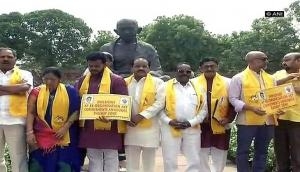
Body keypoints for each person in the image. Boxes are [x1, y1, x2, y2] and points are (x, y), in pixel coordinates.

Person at [76, 52, 128, 172]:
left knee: (110, 156)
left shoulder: (116, 80)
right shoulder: (83, 80)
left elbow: (123, 103)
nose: (93, 68)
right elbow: (78, 101)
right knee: (93, 157)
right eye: (90, 66)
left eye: (96, 66)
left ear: (104, 65)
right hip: (89, 125)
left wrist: (112, 117)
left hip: (110, 125)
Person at [26, 67, 81, 172]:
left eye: (52, 79)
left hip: (64, 135)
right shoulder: (36, 91)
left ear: (59, 79)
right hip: (41, 135)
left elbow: (76, 111)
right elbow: (31, 112)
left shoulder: (70, 91)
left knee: (63, 163)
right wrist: (29, 132)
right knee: (40, 164)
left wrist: (65, 127)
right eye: (46, 79)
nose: (48, 82)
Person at [229, 51, 275, 172]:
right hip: (246, 122)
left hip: (267, 121)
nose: (266, 61)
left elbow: (275, 97)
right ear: (252, 61)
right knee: (243, 151)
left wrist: (278, 108)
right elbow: (233, 99)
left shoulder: (271, 78)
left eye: (266, 59)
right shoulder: (238, 78)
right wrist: (251, 108)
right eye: (263, 59)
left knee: (262, 151)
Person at [160, 62, 207, 172]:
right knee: (169, 158)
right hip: (170, 127)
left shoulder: (199, 88)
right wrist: (169, 121)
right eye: (181, 71)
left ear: (191, 73)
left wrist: (191, 123)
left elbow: (203, 110)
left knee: (194, 158)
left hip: (192, 127)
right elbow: (159, 109)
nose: (184, 73)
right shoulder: (165, 86)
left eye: (188, 71)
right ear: (175, 72)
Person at [195, 58, 236, 172]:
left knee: (220, 153)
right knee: (201, 153)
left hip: (221, 123)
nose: (209, 68)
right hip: (201, 125)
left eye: (212, 66)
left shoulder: (228, 82)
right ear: (200, 68)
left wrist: (228, 118)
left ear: (217, 67)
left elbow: (233, 101)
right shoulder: (193, 82)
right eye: (206, 66)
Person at [124, 57, 165, 172]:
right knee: (131, 163)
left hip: (150, 129)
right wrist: (125, 117)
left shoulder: (158, 82)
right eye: (137, 66)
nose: (141, 68)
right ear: (131, 68)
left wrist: (141, 115)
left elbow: (160, 102)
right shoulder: (124, 82)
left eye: (144, 66)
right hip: (130, 127)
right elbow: (119, 102)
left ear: (149, 68)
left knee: (149, 163)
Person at [0, 47, 33, 172]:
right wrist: (14, 89)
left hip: (16, 121)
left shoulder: (24, 74)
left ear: (15, 59)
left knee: (18, 157)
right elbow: (18, 90)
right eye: (2, 56)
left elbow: (24, 88)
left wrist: (2, 88)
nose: (5, 59)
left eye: (9, 56)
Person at [273, 52, 300, 172]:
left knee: (297, 154)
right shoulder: (278, 74)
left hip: (297, 120)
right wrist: (287, 79)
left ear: (298, 61)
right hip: (279, 119)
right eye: (283, 60)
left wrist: (296, 89)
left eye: (287, 60)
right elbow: (267, 86)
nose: (284, 62)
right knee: (280, 152)